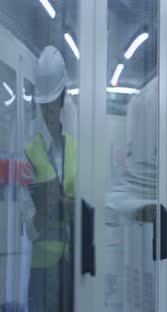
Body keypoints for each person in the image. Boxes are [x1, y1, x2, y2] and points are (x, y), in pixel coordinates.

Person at [25, 45, 77, 312]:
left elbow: (88, 206)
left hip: (72, 266)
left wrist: (68, 205)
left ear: (63, 96)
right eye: (44, 105)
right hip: (42, 269)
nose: (49, 112)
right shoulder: (31, 149)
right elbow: (27, 228)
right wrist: (46, 206)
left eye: (54, 102)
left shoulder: (77, 147)